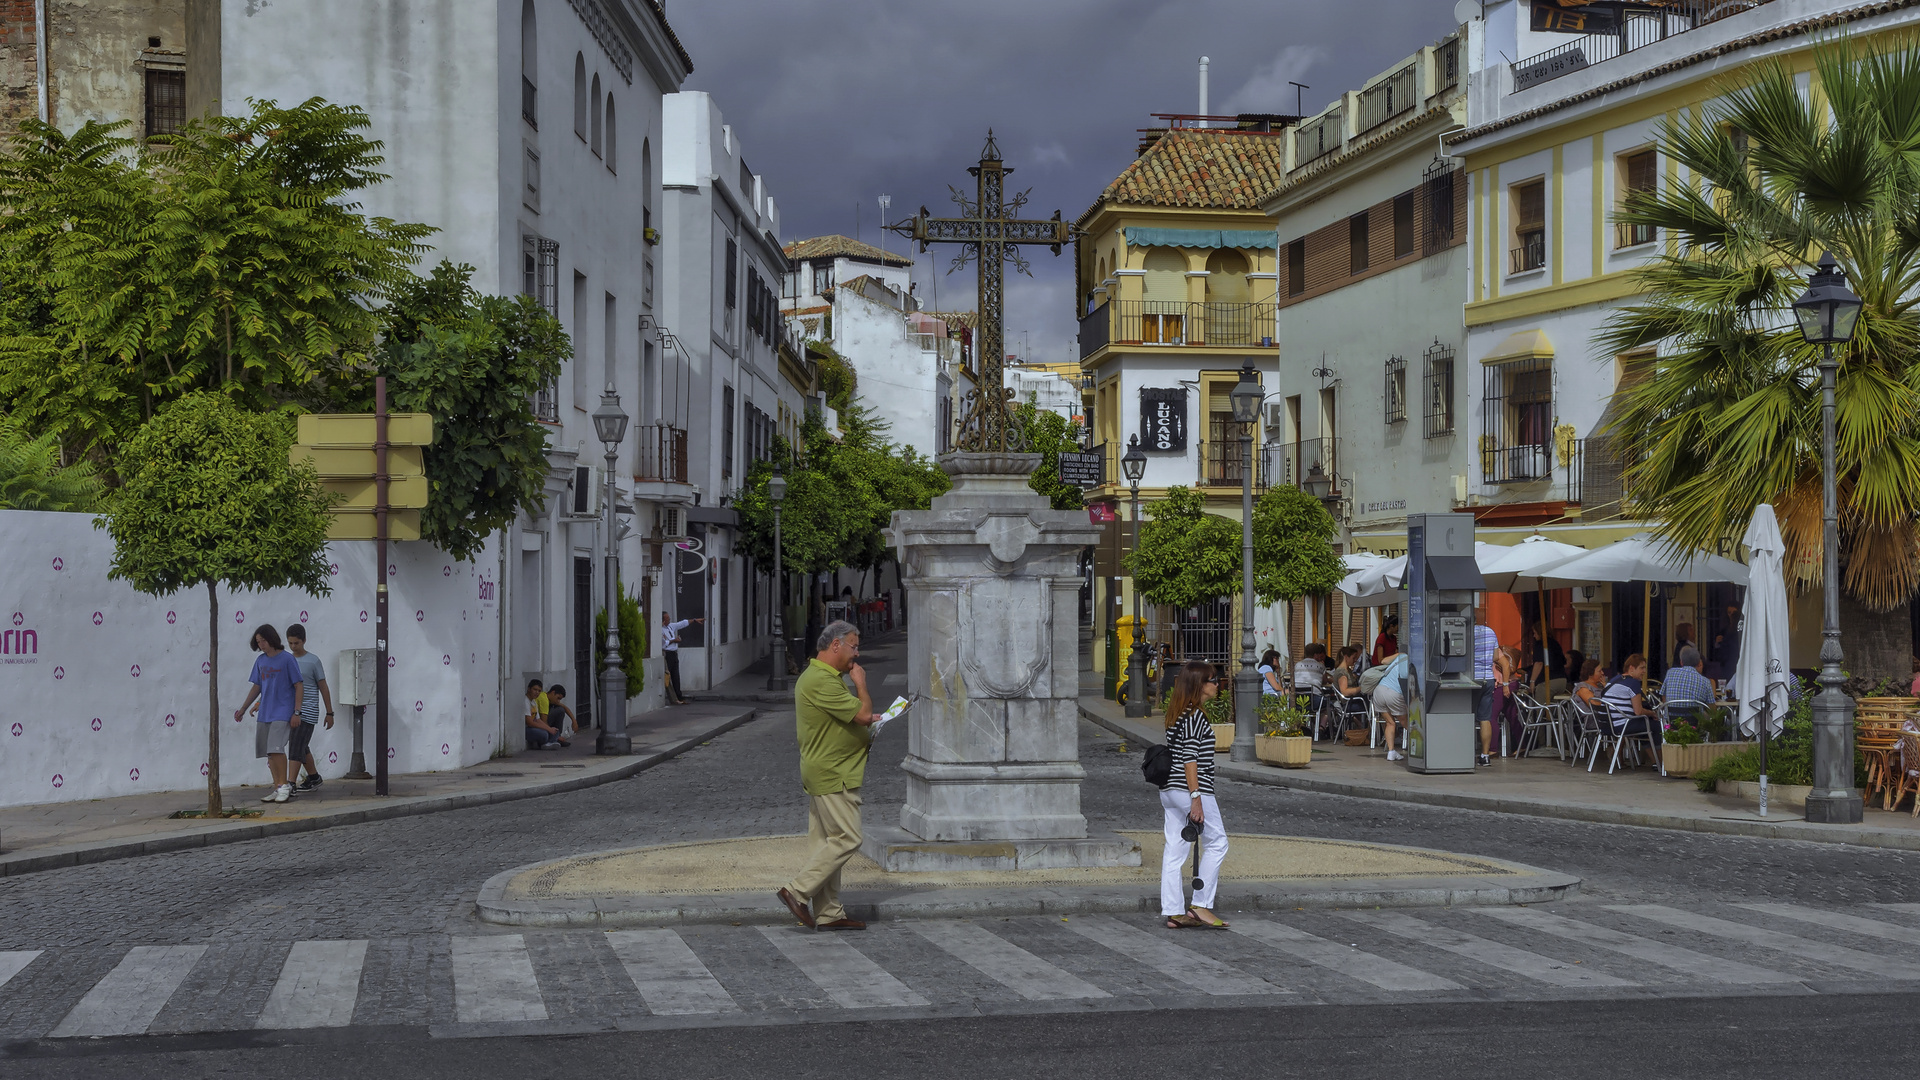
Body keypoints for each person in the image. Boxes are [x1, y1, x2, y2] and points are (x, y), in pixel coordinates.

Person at [777, 620, 877, 932]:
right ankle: (796, 891)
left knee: (826, 843)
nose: (856, 654)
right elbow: (861, 714)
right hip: (834, 772)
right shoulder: (822, 680)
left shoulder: (822, 678)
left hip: (826, 769)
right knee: (849, 837)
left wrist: (867, 722)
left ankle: (829, 912)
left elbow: (851, 719)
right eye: (853, 646)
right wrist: (860, 684)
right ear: (835, 645)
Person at [1159, 661, 1230, 929]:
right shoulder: (1195, 716)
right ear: (1199, 684)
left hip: (1169, 789)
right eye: (1213, 680)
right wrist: (1196, 797)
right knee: (1218, 842)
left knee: (1175, 849)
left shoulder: (1177, 712)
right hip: (1188, 789)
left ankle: (1174, 910)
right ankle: (1200, 905)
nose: (1217, 684)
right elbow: (1190, 758)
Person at [233, 624, 305, 804]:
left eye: (263, 640)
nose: (261, 645)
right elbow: (257, 686)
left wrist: (297, 712)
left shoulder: (287, 659)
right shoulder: (260, 661)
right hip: (265, 711)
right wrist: (243, 708)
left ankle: (285, 785)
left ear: (271, 638)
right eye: (258, 642)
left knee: (276, 748)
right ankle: (277, 786)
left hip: (283, 711)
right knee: (269, 753)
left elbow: (298, 685)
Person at [285, 624, 333, 792]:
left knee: (296, 746)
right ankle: (314, 777)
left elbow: (323, 686)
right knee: (302, 745)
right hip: (292, 710)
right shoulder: (287, 660)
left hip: (308, 709)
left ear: (304, 641)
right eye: (290, 643)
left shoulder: (313, 661)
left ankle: (290, 783)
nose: (293, 646)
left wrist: (329, 712)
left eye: (296, 643)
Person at [1601, 653, 1664, 769]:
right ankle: (1662, 762)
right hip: (1622, 725)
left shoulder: (1613, 680)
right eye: (1641, 668)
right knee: (1655, 725)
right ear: (1631, 668)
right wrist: (1653, 713)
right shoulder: (1633, 683)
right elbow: (1638, 711)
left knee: (1645, 725)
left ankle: (1656, 761)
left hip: (1606, 725)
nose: (1644, 671)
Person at [1485, 646, 1524, 763]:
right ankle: (1524, 744)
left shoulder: (1492, 650)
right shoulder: (1493, 649)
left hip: (1502, 685)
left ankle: (1492, 750)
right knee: (1511, 715)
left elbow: (1506, 665)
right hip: (1511, 683)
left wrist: (1505, 685)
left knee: (1491, 716)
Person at [1372, 649, 1410, 762]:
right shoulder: (1412, 663)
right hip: (1393, 693)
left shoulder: (1401, 657)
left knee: (1390, 723)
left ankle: (1391, 752)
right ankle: (1422, 747)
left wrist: (1400, 654)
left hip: (1379, 691)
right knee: (1406, 723)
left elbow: (1383, 661)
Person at [660, 611, 704, 705]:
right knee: (667, 676)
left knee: (676, 676)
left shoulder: (670, 626)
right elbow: (664, 644)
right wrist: (674, 640)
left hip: (674, 654)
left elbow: (682, 623)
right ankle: (672, 698)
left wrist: (695, 620)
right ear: (663, 620)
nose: (669, 619)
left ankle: (679, 697)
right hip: (667, 654)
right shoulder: (660, 630)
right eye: (667, 618)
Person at [1663, 647, 1714, 724]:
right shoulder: (1705, 681)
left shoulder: (1670, 673)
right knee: (1711, 717)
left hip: (1672, 722)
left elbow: (1664, 695)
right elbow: (1711, 708)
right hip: (1695, 725)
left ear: (1681, 662)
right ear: (1698, 663)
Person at [524, 679, 566, 750]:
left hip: (534, 727)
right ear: (529, 689)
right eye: (535, 689)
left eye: (539, 691)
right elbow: (530, 722)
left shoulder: (533, 702)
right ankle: (549, 742)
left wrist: (550, 729)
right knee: (544, 734)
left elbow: (538, 719)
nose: (537, 692)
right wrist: (548, 730)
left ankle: (550, 742)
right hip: (527, 729)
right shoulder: (525, 701)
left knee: (556, 731)